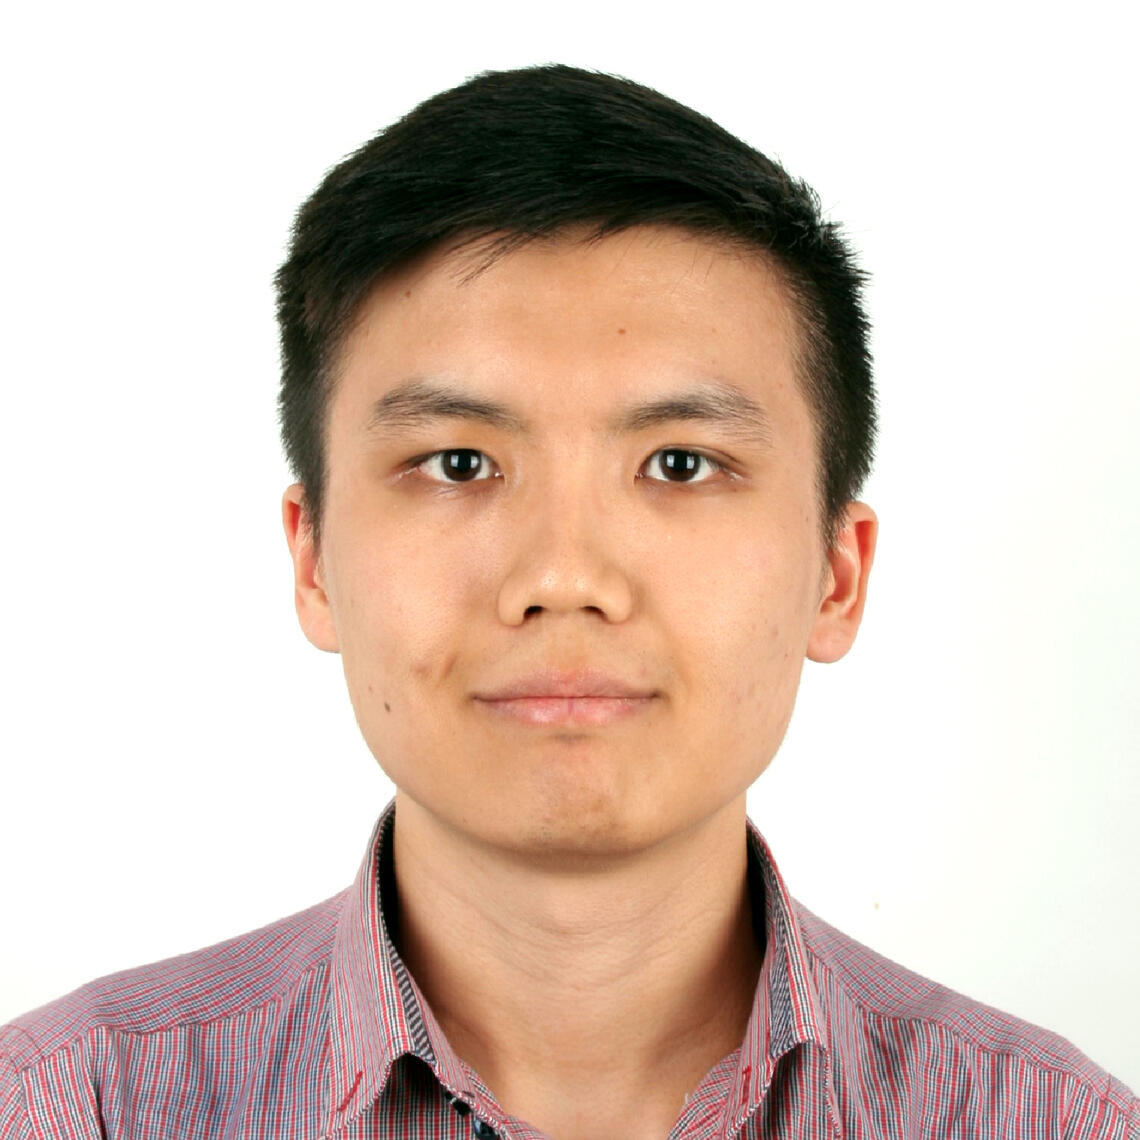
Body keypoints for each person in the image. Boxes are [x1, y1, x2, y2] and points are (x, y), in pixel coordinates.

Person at [1, 63, 1134, 1140]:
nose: (563, 579)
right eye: (457, 464)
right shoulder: (71, 1108)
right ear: (313, 562)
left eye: (681, 464)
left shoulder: (1051, 1122)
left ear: (837, 573)